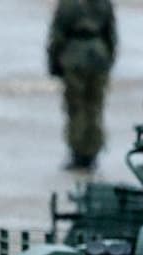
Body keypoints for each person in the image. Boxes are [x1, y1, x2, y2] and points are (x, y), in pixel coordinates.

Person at [48, 0, 118, 171]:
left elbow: (57, 35)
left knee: (76, 108)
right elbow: (111, 35)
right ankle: (92, 151)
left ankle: (78, 152)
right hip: (98, 55)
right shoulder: (104, 3)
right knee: (95, 107)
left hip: (74, 55)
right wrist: (109, 59)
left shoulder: (68, 4)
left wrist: (53, 63)